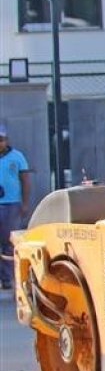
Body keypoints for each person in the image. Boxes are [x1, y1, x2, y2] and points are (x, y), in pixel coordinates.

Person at [0, 124, 31, 290]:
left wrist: (25, 203)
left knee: (8, 243)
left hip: (11, 204)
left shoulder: (17, 157)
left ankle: (8, 279)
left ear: (6, 140)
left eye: (1, 140)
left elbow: (25, 180)